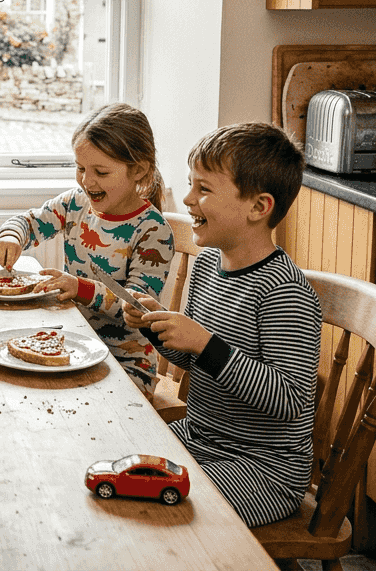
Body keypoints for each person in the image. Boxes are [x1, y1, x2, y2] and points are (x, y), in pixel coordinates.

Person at [124, 122, 320, 528]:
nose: (189, 198)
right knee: (118, 469)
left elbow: (288, 400)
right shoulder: (208, 265)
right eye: (190, 183)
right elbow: (192, 357)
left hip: (265, 470)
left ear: (258, 207)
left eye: (205, 189)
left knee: (151, 504)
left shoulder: (285, 292)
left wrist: (205, 343)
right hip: (200, 438)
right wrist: (157, 326)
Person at [0, 103, 174, 391]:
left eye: (101, 172)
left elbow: (137, 305)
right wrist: (12, 236)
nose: (87, 181)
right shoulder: (75, 203)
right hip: (72, 344)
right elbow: (30, 221)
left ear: (138, 170)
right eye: (81, 168)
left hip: (126, 362)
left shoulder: (153, 230)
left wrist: (80, 288)